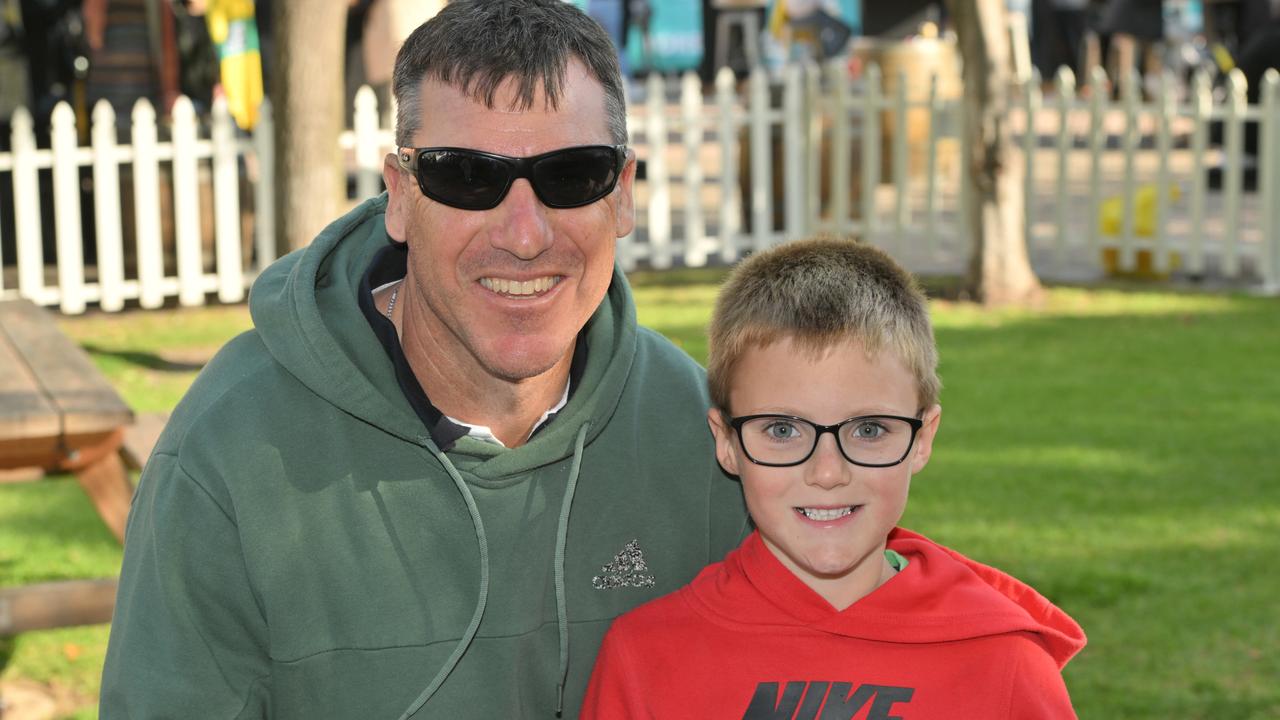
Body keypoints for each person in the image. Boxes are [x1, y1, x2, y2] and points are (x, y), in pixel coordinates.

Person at [99, 1, 747, 717]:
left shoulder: (697, 433)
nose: (524, 235)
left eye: (570, 175)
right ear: (401, 197)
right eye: (468, 176)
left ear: (621, 195)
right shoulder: (231, 451)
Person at [582, 237, 1087, 718]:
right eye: (782, 429)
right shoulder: (648, 657)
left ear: (923, 438)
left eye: (869, 429)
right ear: (727, 441)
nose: (827, 472)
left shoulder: (1004, 661)